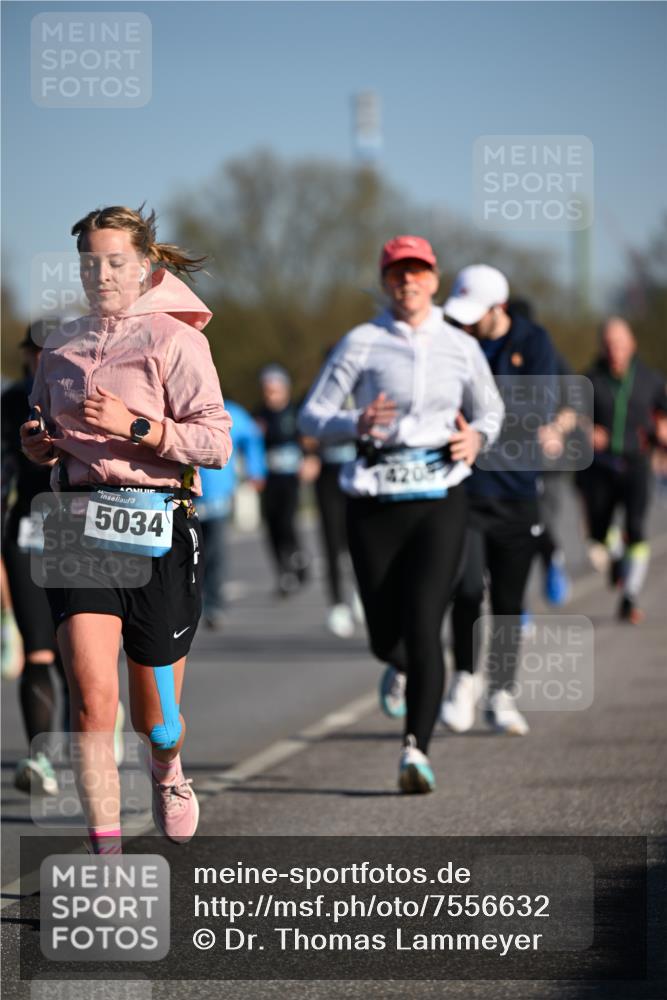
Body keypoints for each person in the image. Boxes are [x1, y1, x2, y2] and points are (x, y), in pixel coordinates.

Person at [21, 205, 232, 853]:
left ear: (144, 266)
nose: (102, 275)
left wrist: (136, 427)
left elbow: (216, 443)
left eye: (115, 262)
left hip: (158, 523)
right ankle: (106, 859)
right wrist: (39, 446)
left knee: (157, 723)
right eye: (91, 263)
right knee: (92, 703)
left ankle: (168, 771)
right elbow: (43, 428)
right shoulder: (59, 346)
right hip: (78, 525)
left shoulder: (176, 341)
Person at [299, 236, 504, 793]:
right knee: (385, 638)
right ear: (385, 281)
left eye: (417, 271)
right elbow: (312, 416)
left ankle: (416, 751)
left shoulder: (460, 345)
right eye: (396, 273)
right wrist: (355, 423)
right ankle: (400, 664)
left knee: (424, 623)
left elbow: (490, 411)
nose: (407, 281)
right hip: (374, 499)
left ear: (434, 280)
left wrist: (476, 438)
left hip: (440, 495)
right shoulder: (362, 342)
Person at [441, 265, 559, 737]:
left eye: (476, 314)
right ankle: (464, 679)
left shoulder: (534, 342)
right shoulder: (454, 337)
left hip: (516, 492)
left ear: (500, 309)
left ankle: (502, 692)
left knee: (508, 601)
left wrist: (482, 420)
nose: (467, 323)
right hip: (466, 490)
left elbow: (538, 408)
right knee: (467, 588)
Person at [2, 322, 68, 794]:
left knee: (79, 652)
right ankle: (41, 759)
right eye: (36, 351)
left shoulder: (85, 391)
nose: (43, 359)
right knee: (38, 650)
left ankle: (96, 728)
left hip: (82, 532)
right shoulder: (11, 402)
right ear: (26, 354)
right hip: (28, 533)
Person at [576, 317, 667, 623]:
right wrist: (586, 429)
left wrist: (663, 430)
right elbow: (570, 416)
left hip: (636, 463)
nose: (614, 350)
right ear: (602, 347)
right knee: (599, 533)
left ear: (631, 345)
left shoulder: (650, 380)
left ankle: (630, 596)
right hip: (599, 466)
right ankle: (615, 557)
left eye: (619, 344)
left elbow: (663, 413)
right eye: (609, 345)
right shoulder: (590, 379)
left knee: (637, 528)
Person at [198, 400, 266, 629]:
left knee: (215, 553)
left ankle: (214, 606)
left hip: (217, 495)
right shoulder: (172, 407)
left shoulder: (231, 412)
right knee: (185, 556)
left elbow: (251, 438)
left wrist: (256, 470)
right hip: (182, 496)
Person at [255, 365, 312, 597]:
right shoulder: (260, 416)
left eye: (275, 390)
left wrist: (309, 458)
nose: (271, 396)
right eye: (267, 391)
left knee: (287, 521)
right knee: (272, 525)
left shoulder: (296, 413)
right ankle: (283, 572)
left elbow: (308, 440)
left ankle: (297, 556)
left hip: (291, 478)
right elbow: (253, 446)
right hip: (269, 479)